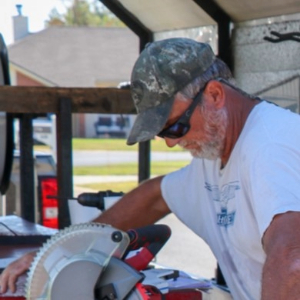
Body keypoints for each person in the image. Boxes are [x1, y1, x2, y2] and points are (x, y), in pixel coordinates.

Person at [1, 37, 300, 299]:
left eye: (176, 127)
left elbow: (292, 260)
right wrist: (59, 251)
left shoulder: (272, 144)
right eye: (164, 134)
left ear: (214, 96)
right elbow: (155, 195)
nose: (171, 143)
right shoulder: (213, 157)